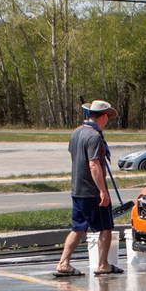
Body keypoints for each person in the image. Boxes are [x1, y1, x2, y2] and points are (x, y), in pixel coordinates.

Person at [54, 99, 120, 277]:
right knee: (106, 227)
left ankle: (63, 263)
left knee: (78, 228)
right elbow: (93, 165)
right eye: (108, 117)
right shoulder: (94, 137)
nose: (107, 121)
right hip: (92, 191)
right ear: (103, 116)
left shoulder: (76, 133)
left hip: (77, 189)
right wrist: (102, 191)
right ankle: (103, 264)